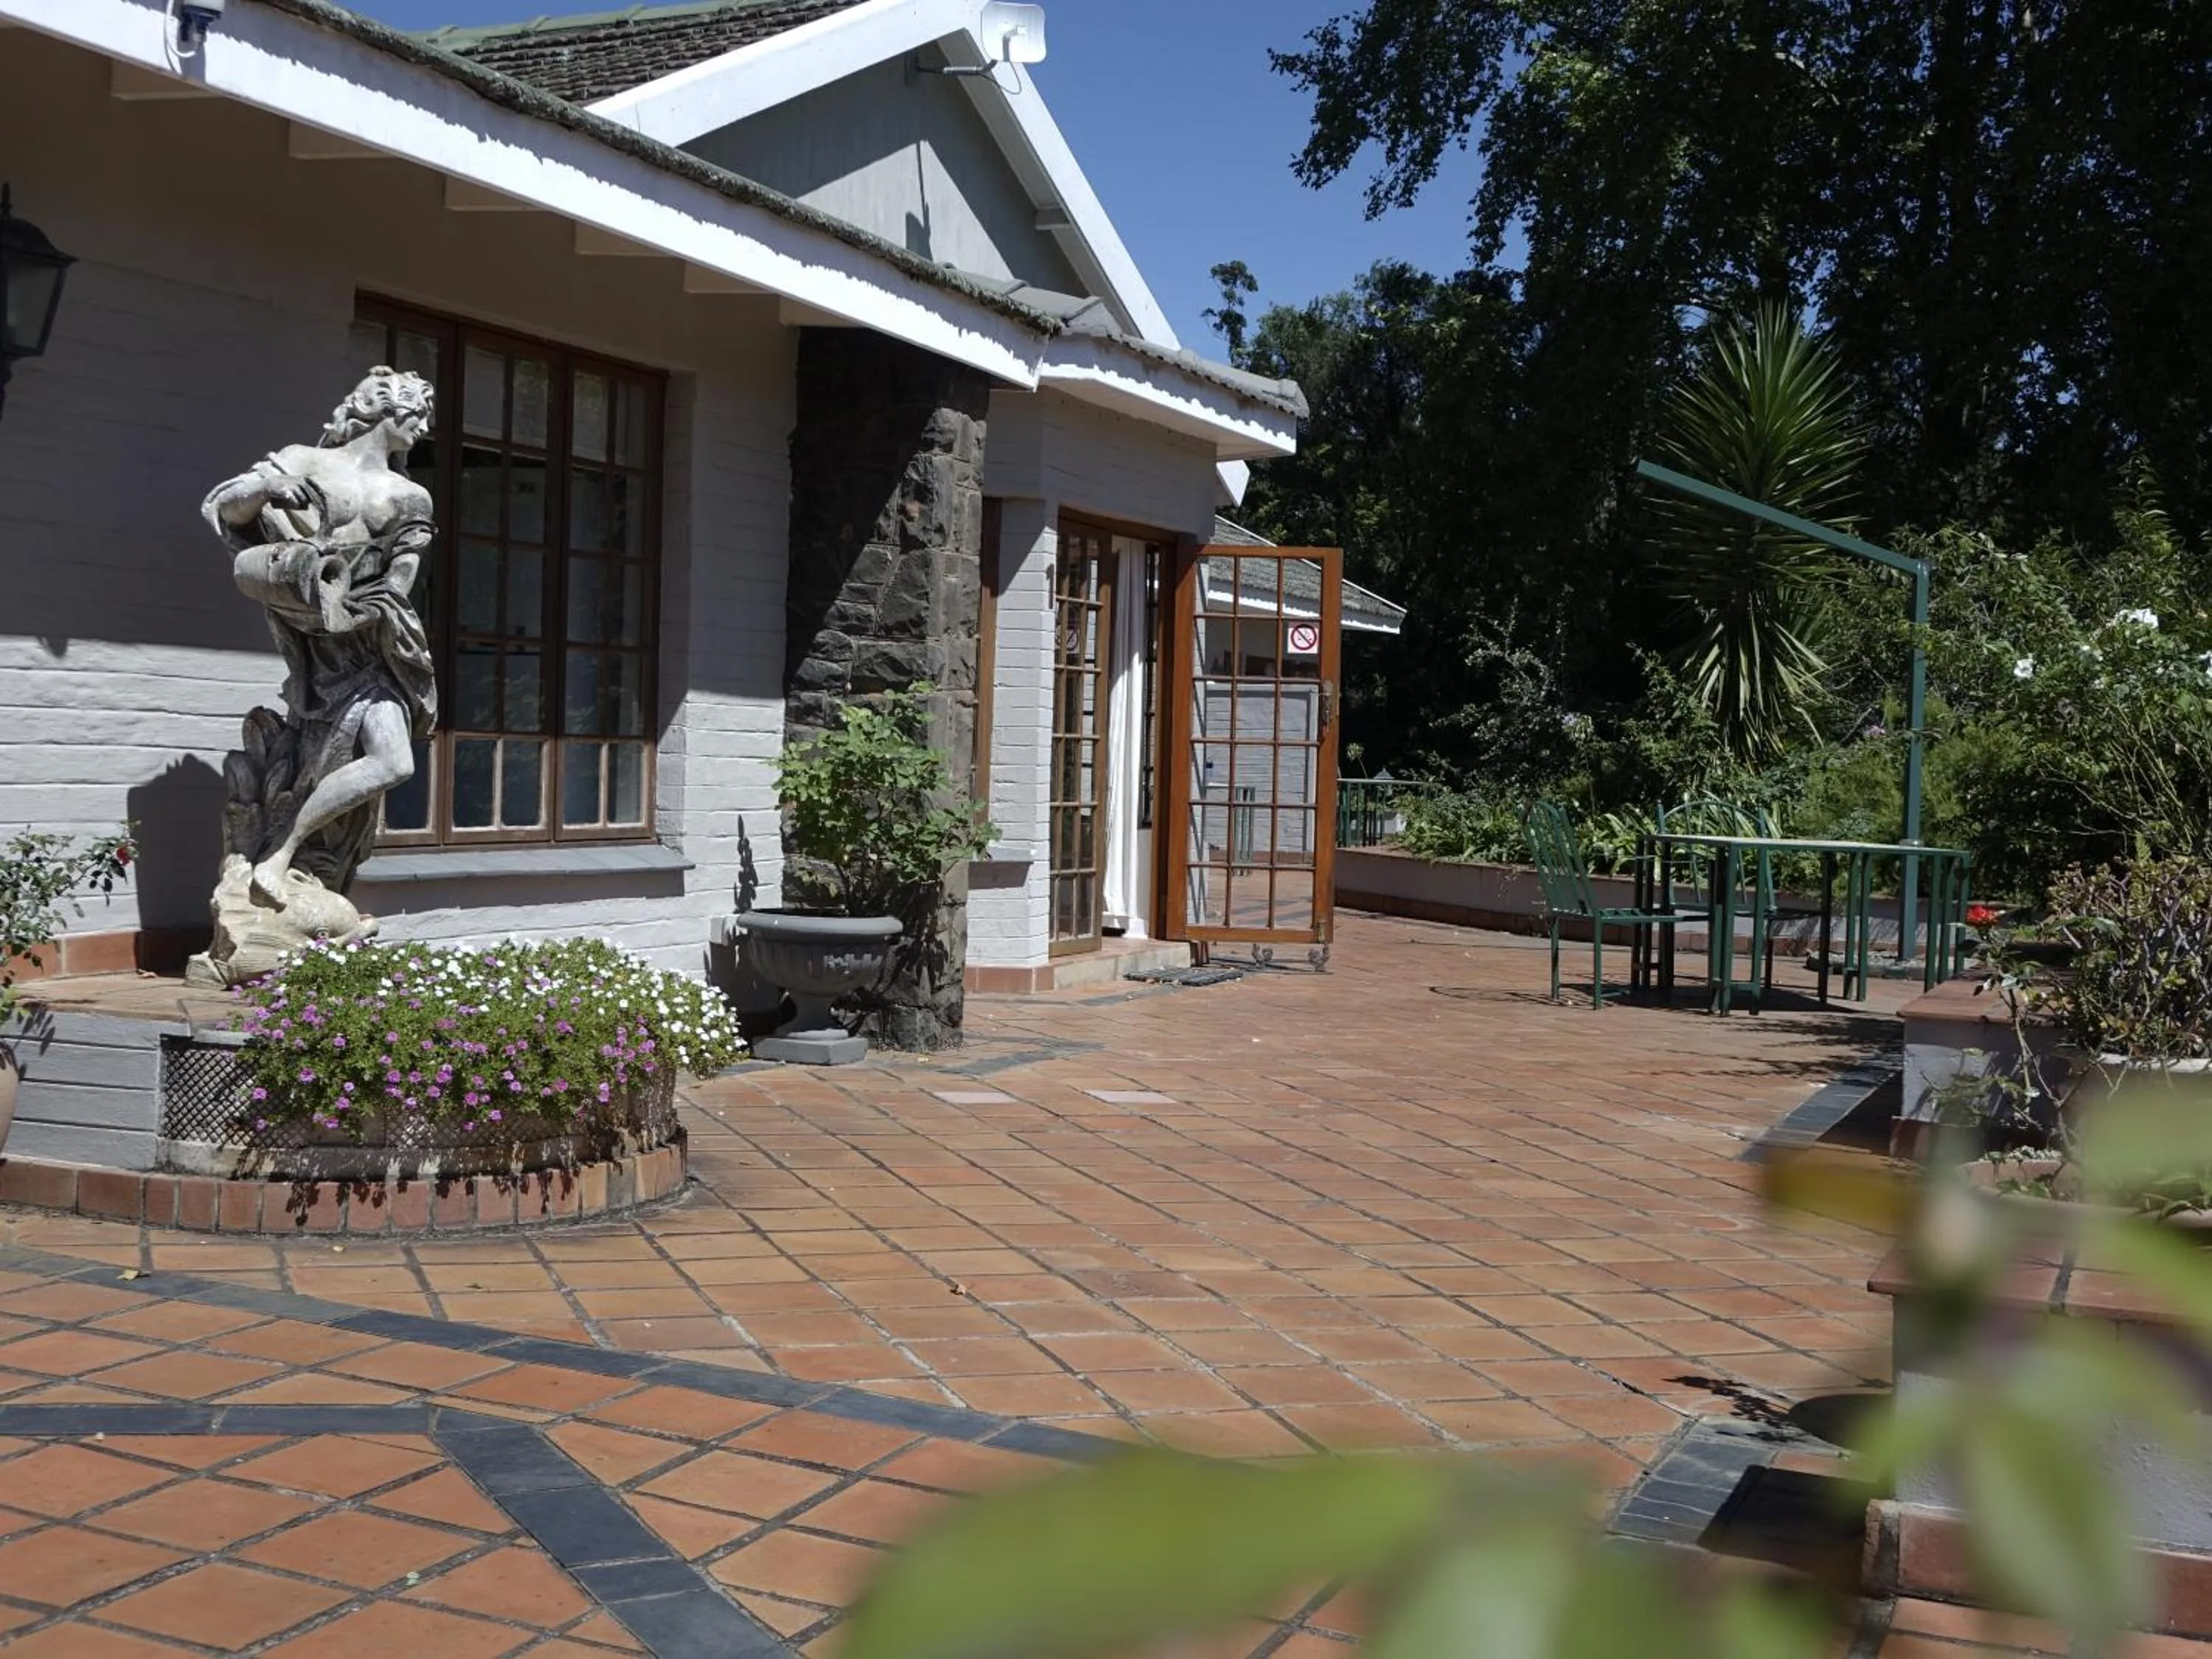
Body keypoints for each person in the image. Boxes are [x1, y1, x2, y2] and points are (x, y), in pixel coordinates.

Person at [201, 366, 439, 908]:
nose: (423, 427)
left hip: (372, 641)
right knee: (314, 749)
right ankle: (278, 866)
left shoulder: (412, 497)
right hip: (312, 635)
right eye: (419, 414)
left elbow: (402, 575)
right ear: (388, 409)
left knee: (394, 761)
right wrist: (267, 486)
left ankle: (283, 849)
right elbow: (227, 512)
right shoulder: (303, 460)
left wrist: (364, 611)